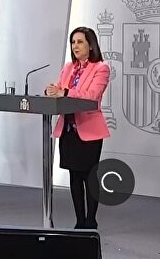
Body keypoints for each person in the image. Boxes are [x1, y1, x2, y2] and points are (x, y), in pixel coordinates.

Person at [45, 27, 111, 229]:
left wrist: (64, 92)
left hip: (89, 130)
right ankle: (79, 221)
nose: (75, 46)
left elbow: (92, 95)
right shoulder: (68, 67)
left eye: (80, 42)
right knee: (74, 176)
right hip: (68, 130)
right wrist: (50, 91)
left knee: (89, 177)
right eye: (73, 42)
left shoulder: (101, 68)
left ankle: (91, 221)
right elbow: (59, 88)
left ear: (90, 45)